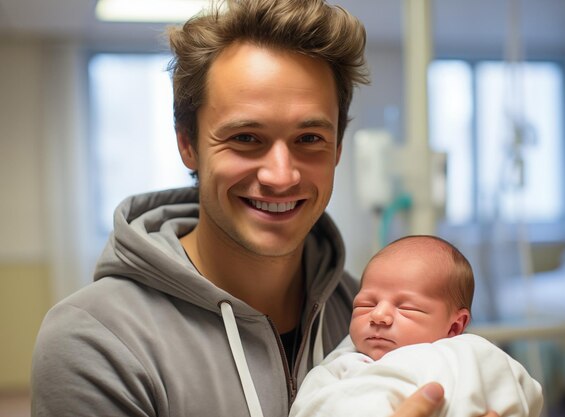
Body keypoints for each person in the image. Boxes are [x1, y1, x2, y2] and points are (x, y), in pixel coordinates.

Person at [30, 1, 497, 416]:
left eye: (309, 139)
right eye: (246, 138)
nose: (281, 174)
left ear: (337, 148)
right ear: (188, 145)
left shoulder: (366, 316)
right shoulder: (98, 341)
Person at [290, 235, 543, 417]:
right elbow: (312, 405)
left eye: (407, 308)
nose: (378, 316)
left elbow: (519, 391)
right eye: (365, 304)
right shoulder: (340, 363)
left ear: (455, 327)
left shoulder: (468, 354)